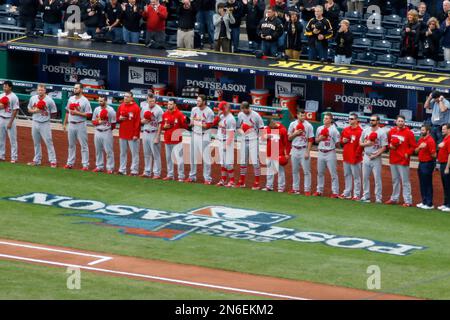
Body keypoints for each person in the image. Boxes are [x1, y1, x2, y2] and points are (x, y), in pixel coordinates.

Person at [385, 115, 417, 207]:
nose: (400, 123)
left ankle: (408, 200)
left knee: (405, 181)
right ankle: (394, 198)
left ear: (404, 122)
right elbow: (387, 143)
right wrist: (389, 146)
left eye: (402, 121)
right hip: (393, 159)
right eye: (399, 121)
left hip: (403, 160)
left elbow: (413, 146)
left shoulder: (409, 133)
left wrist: (408, 153)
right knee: (395, 180)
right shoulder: (392, 131)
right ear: (396, 121)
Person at [26, 84, 58, 168]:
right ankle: (37, 160)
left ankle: (53, 161)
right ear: (37, 90)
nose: (40, 91)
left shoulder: (49, 100)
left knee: (48, 142)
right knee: (36, 143)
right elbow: (29, 109)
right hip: (35, 122)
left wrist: (45, 112)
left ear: (45, 91)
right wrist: (35, 111)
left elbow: (54, 113)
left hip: (45, 123)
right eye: (39, 90)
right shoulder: (33, 98)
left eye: (42, 90)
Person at [186, 95, 215, 184]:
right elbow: (191, 123)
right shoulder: (194, 109)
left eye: (199, 101)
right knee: (193, 157)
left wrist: (195, 122)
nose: (197, 102)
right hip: (195, 134)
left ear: (204, 102)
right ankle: (192, 176)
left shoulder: (209, 112)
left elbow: (208, 125)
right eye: (197, 101)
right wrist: (187, 122)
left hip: (204, 135)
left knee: (205, 158)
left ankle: (207, 178)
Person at [63, 83, 92, 170]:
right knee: (71, 145)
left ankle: (85, 165)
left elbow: (89, 115)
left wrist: (77, 113)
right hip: (71, 124)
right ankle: (70, 163)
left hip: (81, 124)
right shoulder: (71, 99)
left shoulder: (85, 101)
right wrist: (64, 123)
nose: (75, 90)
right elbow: (67, 112)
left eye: (77, 88)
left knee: (84, 145)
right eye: (74, 88)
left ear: (81, 89)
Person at [359, 115, 388, 203]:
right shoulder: (365, 130)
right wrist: (367, 144)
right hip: (366, 156)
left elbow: (384, 147)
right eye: (371, 120)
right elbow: (360, 143)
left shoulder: (382, 132)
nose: (371, 121)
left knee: (377, 178)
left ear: (378, 121)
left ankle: (378, 198)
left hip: (376, 157)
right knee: (365, 177)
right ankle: (366, 196)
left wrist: (375, 155)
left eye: (373, 120)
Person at [236, 101, 264, 189]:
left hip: (253, 141)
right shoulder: (240, 115)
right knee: (243, 161)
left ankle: (257, 183)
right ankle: (241, 182)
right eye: (242, 110)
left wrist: (258, 138)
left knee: (255, 162)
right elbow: (238, 127)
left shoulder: (256, 115)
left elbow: (261, 128)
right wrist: (242, 133)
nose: (243, 112)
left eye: (244, 110)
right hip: (244, 140)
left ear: (247, 108)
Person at [288, 108, 314, 195]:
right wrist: (295, 134)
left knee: (306, 171)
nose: (303, 117)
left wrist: (308, 151)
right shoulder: (292, 124)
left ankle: (307, 190)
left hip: (303, 149)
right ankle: (295, 189)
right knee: (295, 170)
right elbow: (289, 138)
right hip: (294, 149)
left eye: (304, 115)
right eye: (301, 115)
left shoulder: (309, 125)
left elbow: (311, 139)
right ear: (297, 115)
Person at [314, 112, 340, 197]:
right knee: (320, 173)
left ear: (331, 120)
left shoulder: (334, 130)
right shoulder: (319, 128)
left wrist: (331, 138)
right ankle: (319, 191)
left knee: (333, 174)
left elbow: (338, 145)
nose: (324, 120)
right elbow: (316, 140)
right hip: (321, 152)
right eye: (324, 118)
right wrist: (320, 138)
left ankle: (335, 192)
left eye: (327, 118)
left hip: (330, 153)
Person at [161, 99, 187, 181]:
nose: (169, 106)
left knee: (179, 159)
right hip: (167, 139)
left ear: (175, 105)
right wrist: (164, 127)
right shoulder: (165, 114)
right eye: (168, 104)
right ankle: (170, 175)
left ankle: (181, 176)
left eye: (171, 104)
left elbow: (185, 127)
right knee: (168, 158)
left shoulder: (179, 114)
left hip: (177, 140)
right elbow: (162, 126)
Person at [116, 91, 141, 176]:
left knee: (134, 154)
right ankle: (122, 170)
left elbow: (137, 123)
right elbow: (117, 118)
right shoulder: (121, 106)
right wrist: (120, 118)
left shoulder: (136, 108)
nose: (125, 98)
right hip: (123, 133)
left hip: (132, 135)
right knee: (122, 153)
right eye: (124, 96)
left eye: (127, 96)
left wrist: (136, 134)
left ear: (131, 98)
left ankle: (134, 171)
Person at [339, 113, 363, 200]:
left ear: (357, 120)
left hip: (355, 158)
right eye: (349, 119)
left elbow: (361, 146)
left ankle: (356, 195)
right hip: (346, 156)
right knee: (347, 175)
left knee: (356, 177)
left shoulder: (360, 131)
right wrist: (343, 141)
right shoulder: (345, 130)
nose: (350, 120)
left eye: (352, 119)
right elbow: (341, 141)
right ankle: (347, 193)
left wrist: (357, 156)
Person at [262, 119, 289, 192]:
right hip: (270, 151)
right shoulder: (268, 128)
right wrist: (267, 136)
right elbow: (263, 138)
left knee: (280, 170)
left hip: (278, 152)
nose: (270, 128)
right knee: (269, 170)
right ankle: (269, 186)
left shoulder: (282, 129)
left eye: (271, 126)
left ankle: (281, 187)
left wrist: (286, 154)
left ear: (273, 123)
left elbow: (286, 142)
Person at [140, 93, 163, 178]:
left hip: (154, 132)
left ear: (155, 101)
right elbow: (141, 120)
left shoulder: (159, 110)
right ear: (147, 100)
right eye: (150, 101)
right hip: (145, 132)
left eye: (153, 101)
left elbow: (161, 124)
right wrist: (144, 121)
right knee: (147, 154)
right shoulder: (144, 108)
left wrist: (157, 136)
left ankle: (157, 173)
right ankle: (147, 172)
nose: (152, 103)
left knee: (156, 155)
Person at [91, 95, 116, 174]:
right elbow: (93, 121)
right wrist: (99, 122)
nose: (100, 102)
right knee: (98, 150)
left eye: (101, 101)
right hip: (97, 132)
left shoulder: (111, 110)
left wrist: (107, 129)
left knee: (109, 151)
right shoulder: (96, 109)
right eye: (99, 101)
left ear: (105, 101)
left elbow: (113, 124)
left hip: (106, 132)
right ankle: (99, 166)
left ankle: (110, 168)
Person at [215, 101, 236, 187]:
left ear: (226, 108)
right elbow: (214, 123)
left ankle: (232, 181)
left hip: (227, 142)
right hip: (220, 141)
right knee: (222, 163)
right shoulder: (221, 116)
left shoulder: (231, 119)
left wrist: (226, 146)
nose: (220, 111)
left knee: (228, 163)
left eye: (222, 109)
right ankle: (223, 180)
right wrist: (218, 115)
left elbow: (231, 135)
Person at [415, 125, 436, 209]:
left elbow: (434, 155)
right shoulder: (420, 140)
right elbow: (416, 151)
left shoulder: (430, 141)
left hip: (428, 164)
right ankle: (424, 201)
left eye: (423, 130)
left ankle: (429, 203)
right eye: (421, 130)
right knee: (422, 183)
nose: (421, 131)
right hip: (421, 163)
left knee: (427, 183)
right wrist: (420, 147)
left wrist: (426, 148)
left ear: (428, 131)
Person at [0, 81, 19, 163]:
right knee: (1, 139)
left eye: (6, 86)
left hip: (9, 119)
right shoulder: (1, 95)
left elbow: (15, 110)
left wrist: (10, 122)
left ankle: (14, 158)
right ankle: (1, 156)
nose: (4, 88)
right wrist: (3, 106)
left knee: (13, 140)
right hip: (1, 118)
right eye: (3, 86)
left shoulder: (14, 97)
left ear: (10, 87)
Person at [437, 123, 450, 212]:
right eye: (442, 129)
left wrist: (447, 167)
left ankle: (449, 205)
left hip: (446, 164)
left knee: (448, 185)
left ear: (449, 130)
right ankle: (445, 203)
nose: (442, 130)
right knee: (445, 185)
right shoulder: (445, 138)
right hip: (442, 164)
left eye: (444, 129)